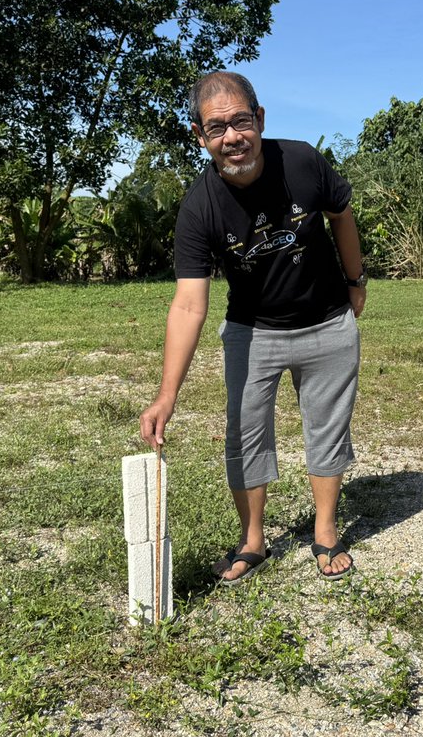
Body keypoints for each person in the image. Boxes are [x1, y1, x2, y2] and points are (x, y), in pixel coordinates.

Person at [139, 71, 367, 583]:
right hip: (252, 332)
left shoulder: (303, 162)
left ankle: (326, 533)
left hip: (327, 323)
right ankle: (252, 541)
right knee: (244, 435)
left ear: (260, 120)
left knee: (327, 427)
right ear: (200, 137)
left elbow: (342, 214)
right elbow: (189, 305)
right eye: (216, 128)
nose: (232, 137)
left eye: (241, 121)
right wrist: (166, 395)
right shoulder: (199, 208)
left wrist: (356, 280)